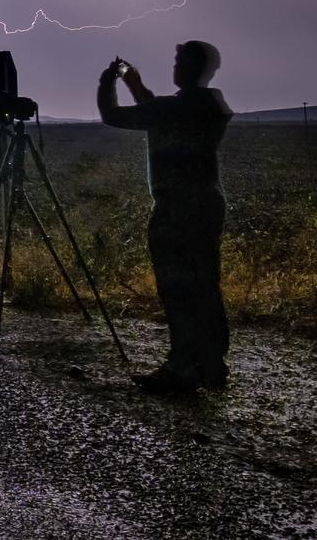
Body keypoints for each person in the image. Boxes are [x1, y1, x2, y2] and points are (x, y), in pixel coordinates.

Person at [97, 41, 233, 394]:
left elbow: (113, 116)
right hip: (207, 203)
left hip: (176, 209)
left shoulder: (173, 109)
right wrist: (135, 83)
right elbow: (157, 108)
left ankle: (181, 369)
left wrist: (107, 84)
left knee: (176, 287)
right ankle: (212, 363)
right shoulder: (210, 105)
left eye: (178, 60)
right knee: (205, 284)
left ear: (191, 67)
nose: (174, 66)